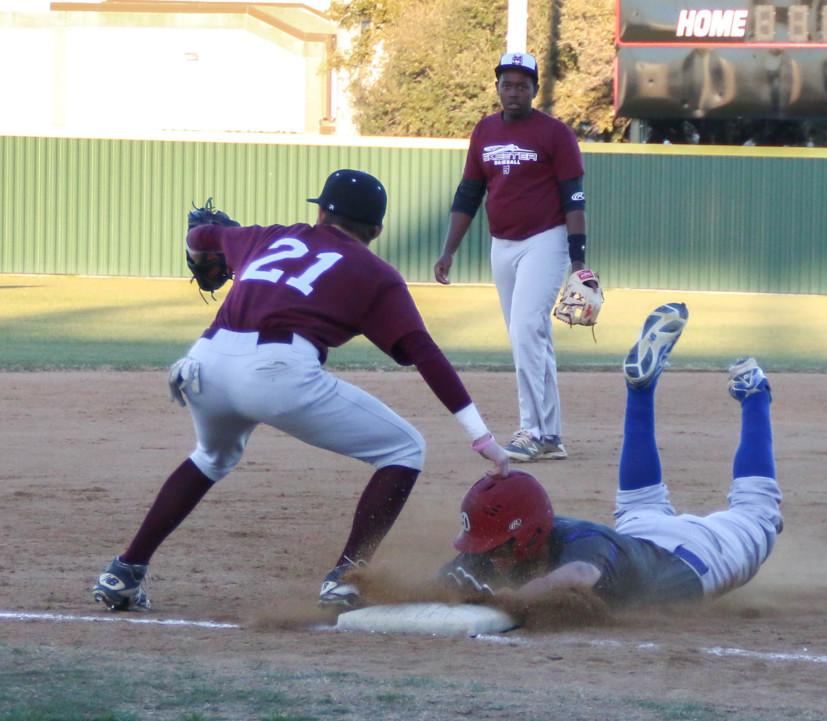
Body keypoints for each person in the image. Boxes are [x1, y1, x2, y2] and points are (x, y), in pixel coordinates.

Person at [91, 168, 509, 612]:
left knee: (211, 457)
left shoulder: (269, 236)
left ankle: (124, 570)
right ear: (377, 230)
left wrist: (201, 249)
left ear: (323, 212)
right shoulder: (375, 272)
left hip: (203, 364)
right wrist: (479, 436)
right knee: (404, 450)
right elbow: (422, 352)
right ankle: (347, 575)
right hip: (276, 371)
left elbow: (200, 236)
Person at [443, 302, 783, 610]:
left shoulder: (587, 545)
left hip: (700, 556)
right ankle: (641, 391)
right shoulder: (508, 538)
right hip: (638, 536)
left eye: (496, 548)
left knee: (758, 513)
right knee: (639, 505)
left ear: (526, 537)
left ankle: (754, 393)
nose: (489, 555)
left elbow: (578, 574)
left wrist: (510, 602)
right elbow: (445, 578)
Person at [433, 51, 595, 463]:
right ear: (498, 87)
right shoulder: (484, 131)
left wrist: (578, 262)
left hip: (546, 239)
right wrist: (448, 250)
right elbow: (469, 193)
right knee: (529, 336)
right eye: (507, 83)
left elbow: (573, 198)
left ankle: (532, 430)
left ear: (535, 89)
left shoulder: (555, 134)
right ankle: (552, 434)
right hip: (501, 244)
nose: (514, 90)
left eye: (523, 84)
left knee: (526, 330)